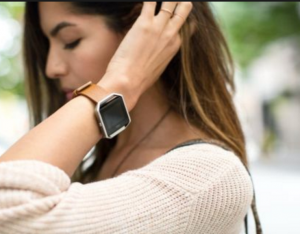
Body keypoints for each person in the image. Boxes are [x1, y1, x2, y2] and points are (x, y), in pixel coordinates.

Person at [0, 2, 262, 234]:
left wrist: (120, 83)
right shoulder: (98, 161)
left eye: (71, 40)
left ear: (143, 32)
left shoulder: (210, 177)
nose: (51, 67)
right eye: (47, 45)